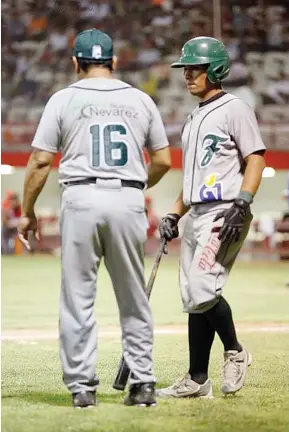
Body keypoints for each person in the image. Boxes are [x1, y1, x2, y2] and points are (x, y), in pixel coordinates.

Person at [17, 29, 171, 408]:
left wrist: (28, 213)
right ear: (114, 62)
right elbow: (164, 160)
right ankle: (143, 384)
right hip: (128, 199)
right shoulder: (139, 99)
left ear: (76, 63)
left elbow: (39, 160)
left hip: (82, 197)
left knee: (78, 299)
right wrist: (133, 185)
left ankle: (83, 389)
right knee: (134, 298)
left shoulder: (64, 98)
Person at [157, 36, 266, 399]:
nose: (187, 74)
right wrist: (174, 213)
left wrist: (244, 202)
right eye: (186, 68)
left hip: (226, 211)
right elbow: (193, 181)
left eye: (195, 68)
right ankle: (197, 379)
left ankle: (235, 351)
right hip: (197, 213)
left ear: (216, 70)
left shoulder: (235, 108)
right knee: (193, 297)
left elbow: (256, 158)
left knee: (204, 287)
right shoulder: (193, 119)